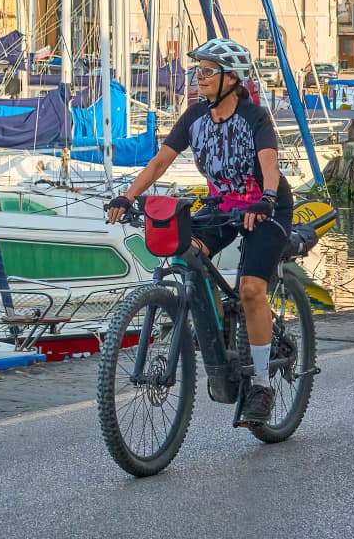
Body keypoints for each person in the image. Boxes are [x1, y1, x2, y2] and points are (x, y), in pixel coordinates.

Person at [107, 38, 292, 427]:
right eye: (197, 71)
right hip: (224, 207)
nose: (199, 79)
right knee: (184, 252)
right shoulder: (194, 117)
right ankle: (218, 324)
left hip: (264, 208)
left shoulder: (254, 116)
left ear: (230, 78)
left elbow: (269, 161)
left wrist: (268, 197)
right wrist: (127, 196)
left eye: (207, 72)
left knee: (251, 289)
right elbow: (160, 162)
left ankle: (261, 385)